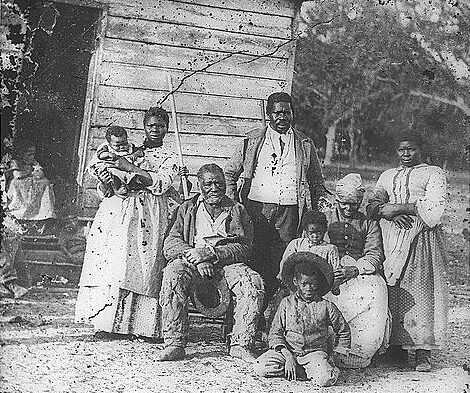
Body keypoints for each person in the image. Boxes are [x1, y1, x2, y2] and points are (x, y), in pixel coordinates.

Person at [75, 107, 185, 342]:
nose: (155, 130)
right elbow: (105, 182)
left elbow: (161, 183)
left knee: (146, 265)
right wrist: (108, 178)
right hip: (119, 210)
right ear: (144, 126)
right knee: (115, 262)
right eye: (151, 125)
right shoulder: (129, 147)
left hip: (149, 212)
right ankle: (109, 323)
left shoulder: (170, 156)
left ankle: (144, 327)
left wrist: (129, 168)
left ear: (167, 128)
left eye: (161, 126)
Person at [224, 92, 328, 301]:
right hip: (256, 209)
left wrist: (316, 213)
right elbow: (229, 173)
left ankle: (275, 316)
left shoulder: (304, 143)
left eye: (287, 113)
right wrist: (233, 205)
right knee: (254, 258)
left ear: (292, 114)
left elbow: (317, 182)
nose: (282, 118)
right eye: (277, 113)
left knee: (282, 263)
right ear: (269, 114)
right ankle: (249, 313)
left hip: (289, 212)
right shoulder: (253, 140)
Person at [158, 163, 265, 362]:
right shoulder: (188, 208)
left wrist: (211, 254)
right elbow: (171, 244)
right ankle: (174, 343)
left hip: (225, 263)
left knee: (252, 283)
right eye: (208, 184)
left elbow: (245, 247)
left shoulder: (236, 209)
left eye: (219, 184)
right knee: (173, 273)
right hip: (191, 261)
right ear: (199, 185)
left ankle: (242, 343)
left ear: (225, 185)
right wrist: (195, 256)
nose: (214, 188)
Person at [367, 133, 448, 372]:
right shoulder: (387, 175)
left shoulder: (433, 173)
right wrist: (386, 211)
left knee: (421, 291)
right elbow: (372, 204)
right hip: (390, 237)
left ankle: (423, 352)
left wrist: (398, 207)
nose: (405, 154)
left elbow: (434, 209)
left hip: (420, 238)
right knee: (394, 291)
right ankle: (396, 349)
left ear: (420, 149)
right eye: (401, 150)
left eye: (411, 149)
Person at [322, 173, 389, 368]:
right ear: (337, 199)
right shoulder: (325, 218)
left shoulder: (368, 222)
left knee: (376, 289)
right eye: (344, 203)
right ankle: (324, 346)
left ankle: (360, 351)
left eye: (354, 204)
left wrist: (354, 270)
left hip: (358, 270)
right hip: (329, 267)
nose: (348, 208)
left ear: (360, 201)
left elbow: (375, 255)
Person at [254, 252, 350, 387]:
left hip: (314, 354)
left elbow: (343, 330)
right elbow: (275, 332)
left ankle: (313, 369)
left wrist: (336, 356)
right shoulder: (286, 303)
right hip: (288, 352)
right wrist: (288, 357)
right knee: (260, 367)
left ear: (318, 283)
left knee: (325, 379)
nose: (309, 288)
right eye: (304, 284)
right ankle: (298, 369)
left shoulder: (326, 306)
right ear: (296, 282)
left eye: (313, 284)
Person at [279, 210, 341, 295]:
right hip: (299, 285)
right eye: (311, 232)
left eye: (319, 232)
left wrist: (334, 286)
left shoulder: (330, 249)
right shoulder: (296, 244)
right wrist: (283, 277)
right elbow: (286, 262)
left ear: (324, 230)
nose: (315, 236)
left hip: (319, 286)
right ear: (305, 231)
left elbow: (335, 270)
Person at [6, 140, 55, 229]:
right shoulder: (16, 162)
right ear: (22, 154)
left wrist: (37, 171)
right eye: (29, 155)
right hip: (19, 182)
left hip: (31, 182)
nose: (32, 157)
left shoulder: (34, 162)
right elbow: (17, 175)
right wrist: (29, 172)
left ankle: (41, 213)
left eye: (33, 154)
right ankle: (20, 212)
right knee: (16, 185)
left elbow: (40, 173)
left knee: (45, 183)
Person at [89, 125, 145, 197]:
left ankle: (130, 188)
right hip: (113, 168)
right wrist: (108, 154)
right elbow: (100, 155)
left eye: (124, 143)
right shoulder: (107, 147)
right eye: (117, 145)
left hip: (127, 169)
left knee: (132, 177)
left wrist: (135, 154)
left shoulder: (131, 147)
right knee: (113, 175)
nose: (122, 147)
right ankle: (118, 189)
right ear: (109, 143)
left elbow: (140, 151)